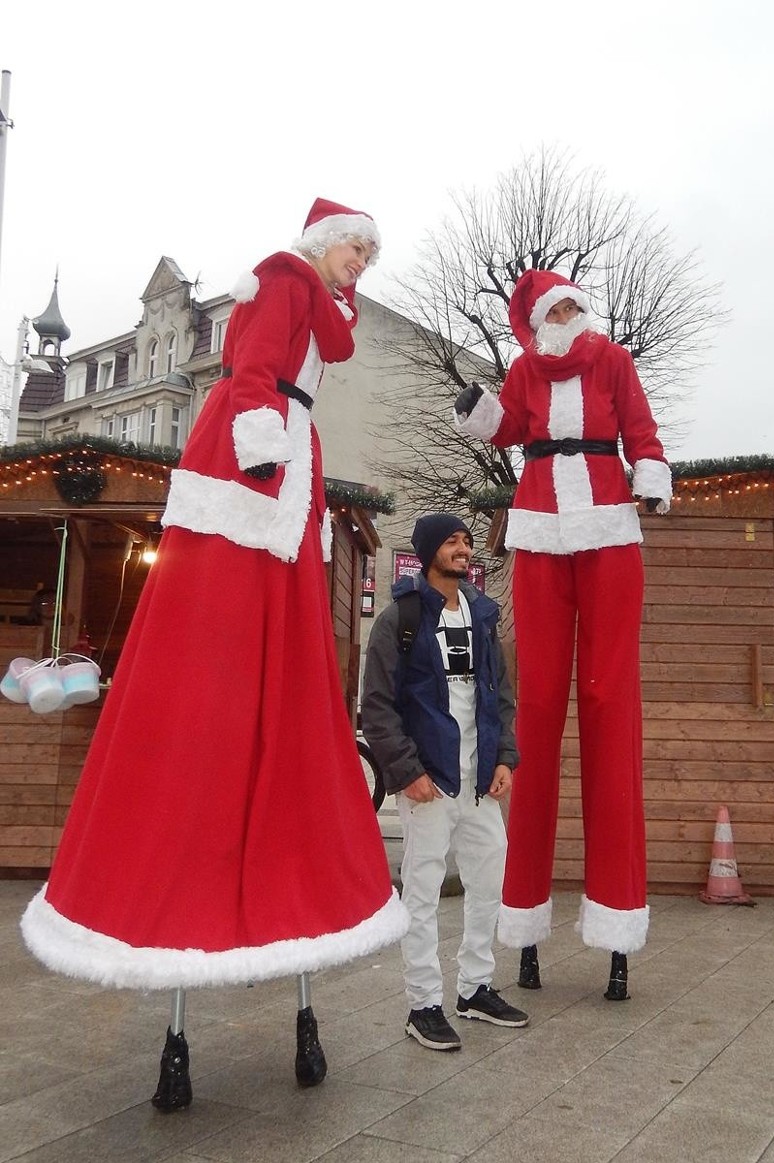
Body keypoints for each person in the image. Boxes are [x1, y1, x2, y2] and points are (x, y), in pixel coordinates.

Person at [21, 198, 408, 1105]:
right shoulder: (282, 277)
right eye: (357, 247)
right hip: (253, 477)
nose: (363, 264)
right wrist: (265, 461)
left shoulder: (317, 301)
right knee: (225, 655)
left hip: (282, 484)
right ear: (325, 242)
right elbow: (247, 375)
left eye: (370, 254)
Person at [453, 270, 671, 1000]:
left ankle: (616, 923)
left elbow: (639, 430)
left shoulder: (613, 361)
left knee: (611, 702)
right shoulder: (523, 370)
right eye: (557, 309)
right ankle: (523, 921)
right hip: (542, 529)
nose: (569, 317)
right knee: (538, 709)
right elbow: (512, 426)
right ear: (537, 320)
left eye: (576, 306)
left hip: (610, 528)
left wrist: (650, 476)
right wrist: (479, 409)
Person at [361, 513, 529, 1050]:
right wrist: (407, 772)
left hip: (479, 780)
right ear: (430, 550)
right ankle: (423, 1003)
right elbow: (378, 706)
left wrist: (504, 757)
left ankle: (475, 988)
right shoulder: (401, 618)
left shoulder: (482, 615)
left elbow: (500, 697)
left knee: (489, 883)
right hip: (428, 781)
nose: (463, 550)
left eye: (466, 542)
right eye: (452, 542)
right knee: (424, 891)